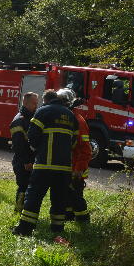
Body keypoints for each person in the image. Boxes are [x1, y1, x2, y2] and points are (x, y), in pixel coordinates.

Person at [13, 89, 78, 237]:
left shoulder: (43, 111)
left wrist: (37, 149)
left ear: (46, 100)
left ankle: (25, 229)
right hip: (64, 168)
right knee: (59, 199)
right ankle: (57, 229)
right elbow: (74, 141)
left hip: (44, 165)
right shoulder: (70, 115)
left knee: (34, 197)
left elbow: (32, 136)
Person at [60, 89, 92, 222]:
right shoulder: (67, 118)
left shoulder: (77, 120)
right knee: (67, 195)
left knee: (76, 196)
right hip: (67, 167)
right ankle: (69, 217)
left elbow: (85, 149)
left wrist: (79, 169)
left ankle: (83, 220)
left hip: (76, 168)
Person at [10, 92, 39, 213]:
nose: (36, 106)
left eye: (37, 103)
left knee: (29, 187)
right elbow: (18, 145)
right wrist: (26, 161)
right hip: (23, 161)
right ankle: (18, 211)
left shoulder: (31, 118)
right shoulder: (19, 120)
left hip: (31, 160)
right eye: (34, 103)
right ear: (25, 103)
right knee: (23, 186)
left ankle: (25, 211)